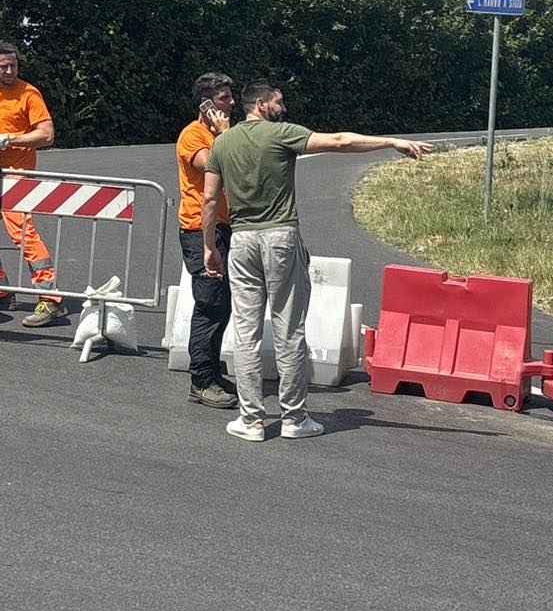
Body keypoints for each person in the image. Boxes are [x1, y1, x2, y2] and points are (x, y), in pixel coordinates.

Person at [203, 80, 428, 441]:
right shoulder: (280, 134)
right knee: (288, 328)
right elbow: (339, 141)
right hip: (280, 237)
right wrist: (391, 141)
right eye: (279, 101)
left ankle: (251, 421)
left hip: (241, 240)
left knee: (245, 332)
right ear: (261, 104)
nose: (284, 107)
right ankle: (293, 418)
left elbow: (210, 200)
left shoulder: (221, 142)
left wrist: (209, 246)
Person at [0, 41, 63, 326]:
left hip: (18, 175)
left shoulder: (29, 94)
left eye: (14, 66)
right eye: (4, 66)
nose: (9, 71)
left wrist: (8, 139)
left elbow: (46, 135)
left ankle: (50, 298)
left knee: (22, 233)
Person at [174, 72, 237, 409]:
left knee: (222, 304)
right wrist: (225, 137)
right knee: (210, 304)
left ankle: (211, 371)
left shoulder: (218, 135)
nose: (232, 103)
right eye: (225, 98)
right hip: (199, 229)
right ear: (207, 104)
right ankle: (200, 380)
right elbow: (214, 165)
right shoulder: (192, 135)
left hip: (222, 226)